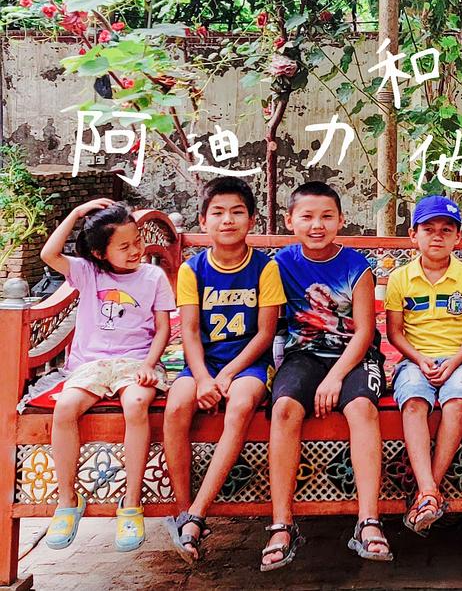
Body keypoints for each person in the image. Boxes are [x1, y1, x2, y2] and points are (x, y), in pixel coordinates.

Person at [261, 182, 389, 570]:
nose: (317, 225)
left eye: (326, 217)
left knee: (362, 408)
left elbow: (365, 331)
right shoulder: (279, 265)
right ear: (290, 221)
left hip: (354, 356)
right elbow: (270, 324)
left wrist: (335, 376)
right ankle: (282, 523)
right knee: (284, 408)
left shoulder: (356, 266)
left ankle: (368, 520)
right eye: (307, 216)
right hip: (303, 355)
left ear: (340, 220)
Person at [40, 199, 175, 552]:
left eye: (138, 241)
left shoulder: (153, 276)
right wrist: (75, 213)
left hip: (136, 361)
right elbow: (48, 255)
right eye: (124, 246)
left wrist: (150, 364)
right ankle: (67, 501)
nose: (135, 251)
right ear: (100, 253)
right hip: (91, 364)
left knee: (136, 404)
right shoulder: (88, 272)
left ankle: (131, 502)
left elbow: (163, 328)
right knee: (65, 408)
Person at [163, 177, 285, 563]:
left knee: (240, 405)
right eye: (217, 212)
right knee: (176, 406)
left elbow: (265, 334)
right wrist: (202, 378)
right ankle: (182, 510)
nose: (227, 220)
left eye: (237, 212)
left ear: (251, 220)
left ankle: (198, 514)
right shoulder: (192, 269)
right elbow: (189, 331)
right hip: (202, 364)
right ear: (203, 220)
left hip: (247, 365)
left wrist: (227, 375)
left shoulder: (265, 268)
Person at [385, 195, 462, 536]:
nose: (437, 236)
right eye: (428, 229)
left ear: (458, 236)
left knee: (457, 400)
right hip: (415, 359)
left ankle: (428, 491)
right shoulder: (400, 278)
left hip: (461, 359)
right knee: (414, 402)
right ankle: (429, 490)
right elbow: (395, 332)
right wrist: (419, 359)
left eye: (446, 230)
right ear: (413, 235)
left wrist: (455, 361)